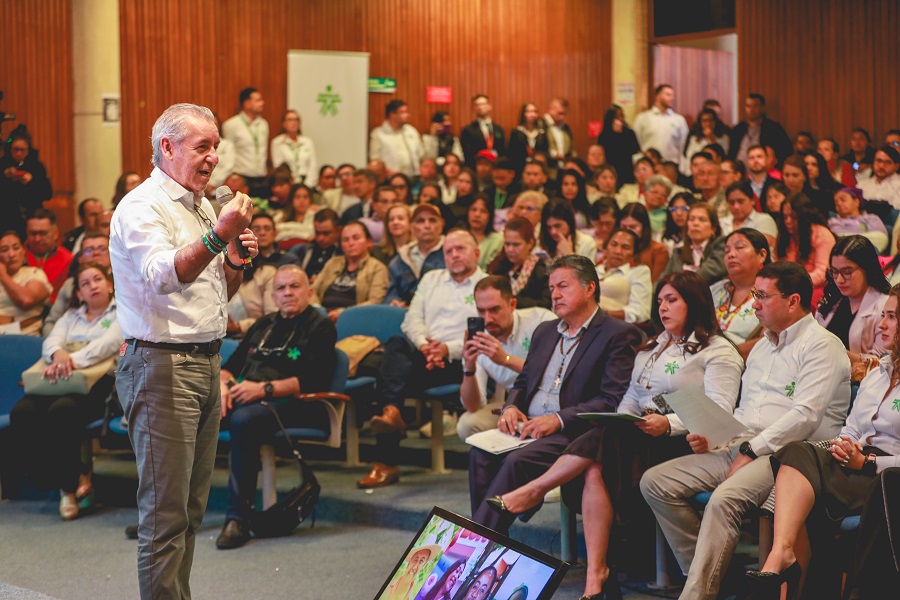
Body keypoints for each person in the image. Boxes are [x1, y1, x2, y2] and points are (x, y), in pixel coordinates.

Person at [488, 270, 743, 599]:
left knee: (602, 447)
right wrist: (624, 419)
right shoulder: (653, 347)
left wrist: (669, 424)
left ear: (694, 303)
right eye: (660, 301)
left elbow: (719, 412)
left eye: (672, 300)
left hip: (688, 442)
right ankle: (596, 577)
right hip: (642, 436)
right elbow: (632, 397)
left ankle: (535, 491)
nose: (663, 307)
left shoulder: (717, 350)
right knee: (598, 459)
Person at [109, 103, 258, 598]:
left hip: (206, 361)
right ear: (167, 147)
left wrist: (233, 258)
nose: (213, 157)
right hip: (160, 366)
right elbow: (162, 278)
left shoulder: (202, 205)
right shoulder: (141, 206)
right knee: (165, 516)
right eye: (203, 146)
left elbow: (217, 296)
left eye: (216, 146)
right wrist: (219, 236)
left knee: (191, 511)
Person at [641, 261, 851, 600]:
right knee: (655, 482)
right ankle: (714, 576)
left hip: (790, 456)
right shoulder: (763, 346)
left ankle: (697, 593)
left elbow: (805, 418)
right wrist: (714, 435)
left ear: (793, 301)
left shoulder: (822, 345)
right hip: (743, 445)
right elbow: (745, 411)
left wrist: (751, 450)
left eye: (763, 296)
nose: (754, 304)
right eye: (755, 294)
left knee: (723, 500)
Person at [469, 255, 642, 535]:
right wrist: (510, 407)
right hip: (529, 426)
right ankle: (488, 539)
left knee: (516, 461)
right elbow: (523, 382)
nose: (555, 295)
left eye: (563, 286)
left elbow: (611, 399)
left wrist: (558, 419)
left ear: (590, 288)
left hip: (573, 432)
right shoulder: (546, 331)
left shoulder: (618, 334)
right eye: (551, 288)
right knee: (479, 453)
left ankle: (477, 541)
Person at [748, 282, 900, 600]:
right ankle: (781, 555)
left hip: (887, 476)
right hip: (854, 463)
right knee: (796, 452)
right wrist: (845, 445)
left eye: (892, 317)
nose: (882, 324)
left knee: (806, 486)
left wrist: (868, 462)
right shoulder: (877, 373)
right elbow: (851, 428)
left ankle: (784, 568)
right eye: (883, 315)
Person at [215, 265, 336, 549]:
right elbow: (229, 368)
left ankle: (237, 518)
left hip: (295, 404)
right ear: (273, 296)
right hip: (247, 398)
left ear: (309, 292)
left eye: (294, 286)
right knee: (192, 412)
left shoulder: (320, 326)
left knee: (243, 420)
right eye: (281, 288)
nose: (287, 293)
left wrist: (263, 389)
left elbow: (314, 379)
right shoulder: (263, 325)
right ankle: (176, 511)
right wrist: (222, 386)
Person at [359, 230, 486, 488]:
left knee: (389, 377)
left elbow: (488, 332)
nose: (454, 255)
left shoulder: (488, 285)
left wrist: (447, 350)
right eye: (448, 251)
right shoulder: (431, 279)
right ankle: (392, 413)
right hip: (426, 356)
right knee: (396, 345)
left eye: (460, 249)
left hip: (466, 363)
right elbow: (412, 319)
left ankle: (386, 461)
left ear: (476, 253)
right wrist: (425, 346)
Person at [9, 263, 121, 520]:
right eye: (85, 283)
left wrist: (69, 360)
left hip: (99, 383)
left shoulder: (121, 313)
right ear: (79, 294)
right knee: (22, 412)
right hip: (60, 379)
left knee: (63, 411)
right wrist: (58, 354)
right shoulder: (70, 317)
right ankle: (75, 474)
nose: (93, 286)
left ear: (109, 285)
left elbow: (108, 345)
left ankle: (67, 490)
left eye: (97, 279)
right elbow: (50, 341)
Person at [458, 276, 555, 440]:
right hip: (513, 405)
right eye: (481, 311)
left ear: (512, 305)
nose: (488, 319)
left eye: (494, 310)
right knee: (467, 424)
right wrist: (469, 367)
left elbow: (555, 372)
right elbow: (472, 406)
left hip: (550, 403)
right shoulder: (479, 338)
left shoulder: (541, 321)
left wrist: (505, 359)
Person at [816, 235, 891, 381]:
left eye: (847, 272)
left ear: (867, 269)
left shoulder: (885, 307)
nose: (839, 280)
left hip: (859, 384)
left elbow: (882, 363)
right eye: (834, 272)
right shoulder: (830, 299)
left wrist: (833, 350)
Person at [710, 228, 770, 358]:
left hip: (743, 364)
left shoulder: (772, 294)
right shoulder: (715, 289)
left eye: (740, 247)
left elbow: (769, 340)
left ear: (761, 255)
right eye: (727, 251)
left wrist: (722, 357)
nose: (731, 254)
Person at [312, 220, 388, 321]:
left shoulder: (377, 268)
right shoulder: (333, 263)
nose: (350, 243)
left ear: (369, 242)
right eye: (345, 240)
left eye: (356, 238)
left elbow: (375, 302)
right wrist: (318, 309)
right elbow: (312, 291)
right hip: (322, 317)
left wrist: (343, 313)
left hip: (353, 319)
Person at [43, 233, 111, 335]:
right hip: (70, 339)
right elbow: (51, 322)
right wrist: (55, 342)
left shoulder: (127, 281)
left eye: (102, 249)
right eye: (88, 250)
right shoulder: (70, 285)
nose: (96, 253)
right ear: (80, 259)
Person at [385, 204, 446, 306]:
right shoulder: (400, 260)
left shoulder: (453, 253)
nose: (427, 226)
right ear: (411, 227)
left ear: (441, 225)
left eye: (432, 220)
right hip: (405, 312)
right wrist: (394, 302)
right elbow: (391, 294)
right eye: (420, 221)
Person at [777, 193, 836, 295]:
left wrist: (792, 283)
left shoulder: (821, 234)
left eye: (793, 217)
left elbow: (822, 274)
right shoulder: (784, 236)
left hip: (817, 289)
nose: (788, 221)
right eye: (785, 217)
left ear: (803, 216)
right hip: (789, 289)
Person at [0, 126, 53, 237]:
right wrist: (4, 177)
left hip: (31, 217)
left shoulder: (36, 166)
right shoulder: (3, 164)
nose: (18, 153)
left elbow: (48, 194)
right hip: (6, 218)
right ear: (10, 149)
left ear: (28, 150)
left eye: (22, 150)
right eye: (15, 149)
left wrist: (32, 181)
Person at [488, 217, 551, 310]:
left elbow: (546, 304)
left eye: (516, 245)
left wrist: (511, 299)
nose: (510, 249)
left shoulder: (541, 271)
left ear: (530, 243)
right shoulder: (498, 265)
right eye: (507, 244)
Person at [595, 228, 652, 324]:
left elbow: (641, 312)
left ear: (634, 254)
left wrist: (599, 314)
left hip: (614, 326)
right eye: (614, 244)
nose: (618, 251)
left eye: (626, 247)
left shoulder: (639, 272)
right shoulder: (595, 269)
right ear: (605, 247)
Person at [663, 202, 727, 284]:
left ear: (713, 229)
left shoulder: (721, 245)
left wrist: (683, 285)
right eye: (692, 219)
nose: (695, 223)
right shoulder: (678, 252)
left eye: (702, 220)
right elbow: (664, 279)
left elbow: (712, 271)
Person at [222, 87, 269, 197]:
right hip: (242, 179)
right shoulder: (231, 125)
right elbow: (228, 154)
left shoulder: (263, 124)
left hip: (262, 179)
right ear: (247, 104)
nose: (262, 103)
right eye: (258, 100)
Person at [729, 93, 792, 166]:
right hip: (739, 170)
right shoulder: (738, 129)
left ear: (763, 108)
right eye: (748, 106)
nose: (751, 109)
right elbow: (731, 153)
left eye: (755, 106)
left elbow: (786, 152)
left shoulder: (773, 129)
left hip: (764, 170)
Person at [24, 209, 74, 301]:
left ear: (55, 234)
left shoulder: (68, 260)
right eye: (33, 234)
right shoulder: (15, 256)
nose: (37, 239)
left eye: (43, 233)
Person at [633, 84, 689, 164]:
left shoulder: (679, 120)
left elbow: (683, 144)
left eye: (673, 95)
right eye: (668, 95)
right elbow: (637, 142)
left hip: (672, 164)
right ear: (657, 96)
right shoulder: (643, 118)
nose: (672, 98)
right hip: (649, 164)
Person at [618, 202, 670, 283]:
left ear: (644, 227)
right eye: (623, 227)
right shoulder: (615, 249)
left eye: (632, 227)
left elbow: (655, 283)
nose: (627, 231)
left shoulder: (659, 250)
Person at [828, 186, 889, 252]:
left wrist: (850, 239)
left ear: (856, 202)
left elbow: (881, 238)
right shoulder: (833, 222)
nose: (839, 204)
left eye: (843, 200)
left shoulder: (872, 218)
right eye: (836, 202)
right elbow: (836, 240)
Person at [719, 182, 778, 248]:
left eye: (740, 201)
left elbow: (761, 246)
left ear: (752, 200)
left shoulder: (764, 220)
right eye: (731, 202)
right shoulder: (722, 222)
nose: (736, 206)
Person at [290, 208, 341, 281]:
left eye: (326, 233)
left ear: (338, 230)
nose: (320, 238)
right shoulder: (301, 250)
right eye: (317, 233)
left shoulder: (343, 253)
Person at [269, 109, 317, 186]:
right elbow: (279, 167)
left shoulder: (307, 142)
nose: (294, 123)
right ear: (283, 123)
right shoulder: (277, 142)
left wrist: (308, 185)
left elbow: (312, 166)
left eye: (296, 120)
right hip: (288, 183)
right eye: (290, 120)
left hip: (306, 183)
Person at [597, 105, 641, 188]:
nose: (620, 119)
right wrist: (615, 135)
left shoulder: (629, 133)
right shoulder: (604, 136)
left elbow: (635, 151)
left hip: (627, 170)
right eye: (617, 117)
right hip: (611, 171)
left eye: (621, 116)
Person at [681, 108, 730, 177]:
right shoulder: (694, 139)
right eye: (704, 121)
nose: (708, 123)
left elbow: (724, 155)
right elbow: (689, 157)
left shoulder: (724, 138)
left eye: (710, 120)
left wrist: (712, 139)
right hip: (697, 172)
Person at [461, 94, 506, 169]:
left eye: (483, 104)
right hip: (477, 168)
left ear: (489, 106)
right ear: (474, 108)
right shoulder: (468, 130)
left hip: (496, 167)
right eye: (477, 105)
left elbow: (502, 150)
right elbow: (467, 154)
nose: (480, 107)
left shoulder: (498, 129)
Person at [463, 194, 502, 270]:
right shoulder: (458, 237)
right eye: (473, 210)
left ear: (490, 215)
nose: (477, 215)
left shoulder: (498, 240)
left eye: (483, 211)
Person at [507, 102, 549, 174]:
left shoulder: (542, 133)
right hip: (520, 169)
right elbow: (512, 154)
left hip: (538, 169)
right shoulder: (516, 133)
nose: (532, 114)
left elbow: (545, 152)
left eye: (534, 111)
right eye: (528, 111)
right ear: (523, 114)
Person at [857, 145, 900, 209]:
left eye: (887, 162)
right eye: (879, 161)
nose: (881, 166)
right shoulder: (862, 185)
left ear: (896, 166)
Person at [373, 202, 411, 266]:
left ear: (410, 223)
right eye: (391, 219)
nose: (395, 222)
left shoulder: (418, 251)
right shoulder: (376, 252)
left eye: (400, 218)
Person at [544, 98, 576, 173]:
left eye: (564, 114)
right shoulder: (541, 125)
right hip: (547, 169)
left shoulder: (566, 128)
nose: (562, 117)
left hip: (563, 169)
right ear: (550, 109)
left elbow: (572, 149)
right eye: (560, 113)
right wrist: (554, 154)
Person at [661, 191, 697, 257]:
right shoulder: (661, 235)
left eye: (684, 208)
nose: (679, 213)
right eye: (674, 209)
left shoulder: (699, 237)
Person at [746, 144, 777, 211]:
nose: (755, 161)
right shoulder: (743, 185)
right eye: (751, 158)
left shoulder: (776, 184)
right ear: (747, 162)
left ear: (767, 159)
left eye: (759, 157)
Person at [588, 197, 619, 263]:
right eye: (599, 223)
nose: (604, 228)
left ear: (616, 220)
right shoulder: (584, 236)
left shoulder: (621, 240)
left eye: (608, 223)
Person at [642, 174, 674, 238]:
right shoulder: (636, 209)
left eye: (663, 195)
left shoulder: (668, 215)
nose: (658, 196)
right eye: (655, 192)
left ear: (666, 199)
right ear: (645, 193)